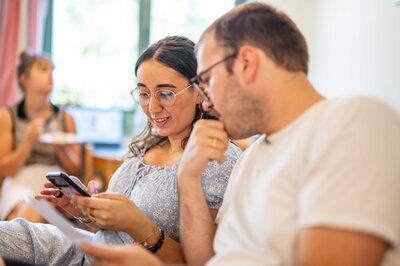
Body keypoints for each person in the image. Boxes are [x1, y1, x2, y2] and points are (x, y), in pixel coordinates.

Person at [82, 2, 400, 266]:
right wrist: (189, 178)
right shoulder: (250, 159)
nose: (204, 100)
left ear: (246, 63)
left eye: (206, 80)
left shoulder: (353, 119)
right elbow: (207, 261)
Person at [0, 36, 241, 266]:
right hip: (88, 249)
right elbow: (113, 233)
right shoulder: (149, 144)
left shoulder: (217, 158)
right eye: (144, 94)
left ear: (199, 92)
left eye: (165, 94)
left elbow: (199, 261)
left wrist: (139, 225)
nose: (152, 107)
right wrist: (84, 209)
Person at [0, 51, 82, 222]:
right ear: (24, 78)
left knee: (30, 209)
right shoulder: (8, 117)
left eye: (51, 70)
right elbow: (3, 169)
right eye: (42, 69)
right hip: (20, 178)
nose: (50, 74)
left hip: (54, 177)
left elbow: (76, 169)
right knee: (31, 207)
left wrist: (60, 148)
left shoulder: (66, 119)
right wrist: (28, 142)